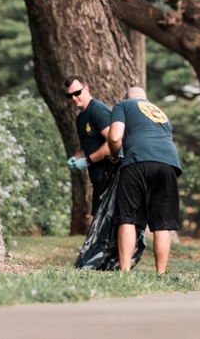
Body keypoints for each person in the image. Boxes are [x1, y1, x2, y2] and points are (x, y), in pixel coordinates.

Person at [107, 86, 182, 274]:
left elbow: (115, 137)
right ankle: (161, 273)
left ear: (128, 97)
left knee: (128, 218)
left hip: (137, 161)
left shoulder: (124, 105)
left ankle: (124, 272)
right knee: (162, 222)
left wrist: (115, 156)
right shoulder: (160, 113)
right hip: (168, 164)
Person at [64, 76, 115, 215]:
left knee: (105, 221)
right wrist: (75, 158)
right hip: (97, 177)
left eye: (77, 93)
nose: (74, 98)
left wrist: (87, 161)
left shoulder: (97, 110)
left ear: (86, 89)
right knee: (99, 217)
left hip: (111, 174)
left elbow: (113, 143)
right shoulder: (80, 118)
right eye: (70, 95)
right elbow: (84, 146)